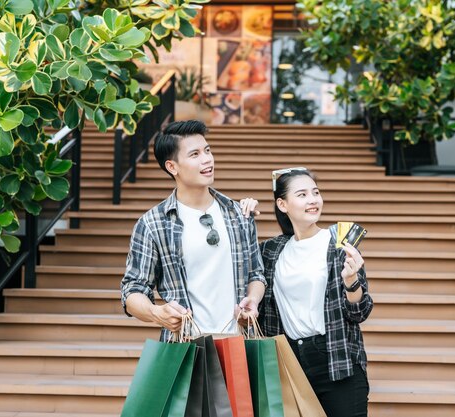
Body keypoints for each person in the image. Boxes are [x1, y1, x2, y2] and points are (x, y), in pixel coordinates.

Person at [120, 120, 266, 340]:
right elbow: (132, 289)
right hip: (185, 344)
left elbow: (256, 274)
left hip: (240, 342)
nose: (207, 159)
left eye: (207, 150)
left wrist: (252, 301)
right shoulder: (153, 224)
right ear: (172, 167)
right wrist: (156, 313)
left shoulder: (239, 214)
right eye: (195, 154)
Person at [257, 167, 373, 417]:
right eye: (302, 194)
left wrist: (351, 281)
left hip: (336, 358)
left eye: (316, 192)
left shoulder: (339, 243)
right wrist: (242, 213)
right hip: (288, 362)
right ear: (282, 204)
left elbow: (360, 312)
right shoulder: (271, 251)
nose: (313, 200)